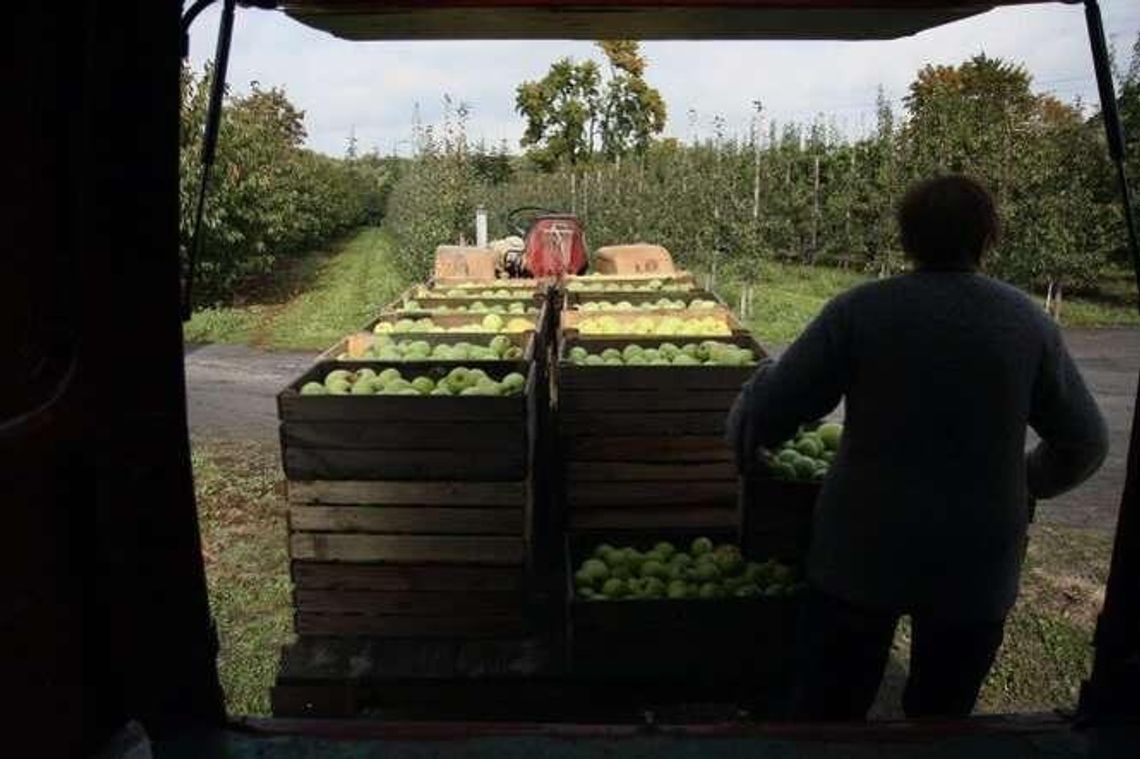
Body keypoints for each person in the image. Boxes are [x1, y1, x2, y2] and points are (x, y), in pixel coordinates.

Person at [727, 174, 1108, 721]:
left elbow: (771, 412)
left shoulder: (861, 311)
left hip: (861, 548)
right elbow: (1086, 443)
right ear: (986, 239)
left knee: (829, 713)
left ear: (906, 239)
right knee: (941, 717)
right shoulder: (1025, 323)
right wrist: (1025, 480)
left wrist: (751, 412)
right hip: (975, 559)